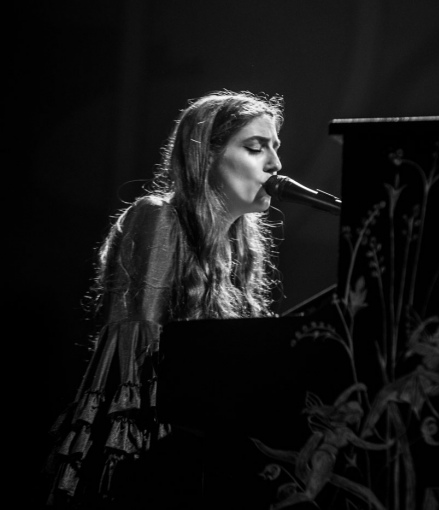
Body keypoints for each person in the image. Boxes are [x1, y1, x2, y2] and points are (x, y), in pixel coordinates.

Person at [43, 90, 285, 507]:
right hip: (154, 450)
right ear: (205, 156)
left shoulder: (241, 251)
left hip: (209, 449)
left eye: (275, 149)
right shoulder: (157, 214)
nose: (275, 165)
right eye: (255, 147)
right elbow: (138, 356)